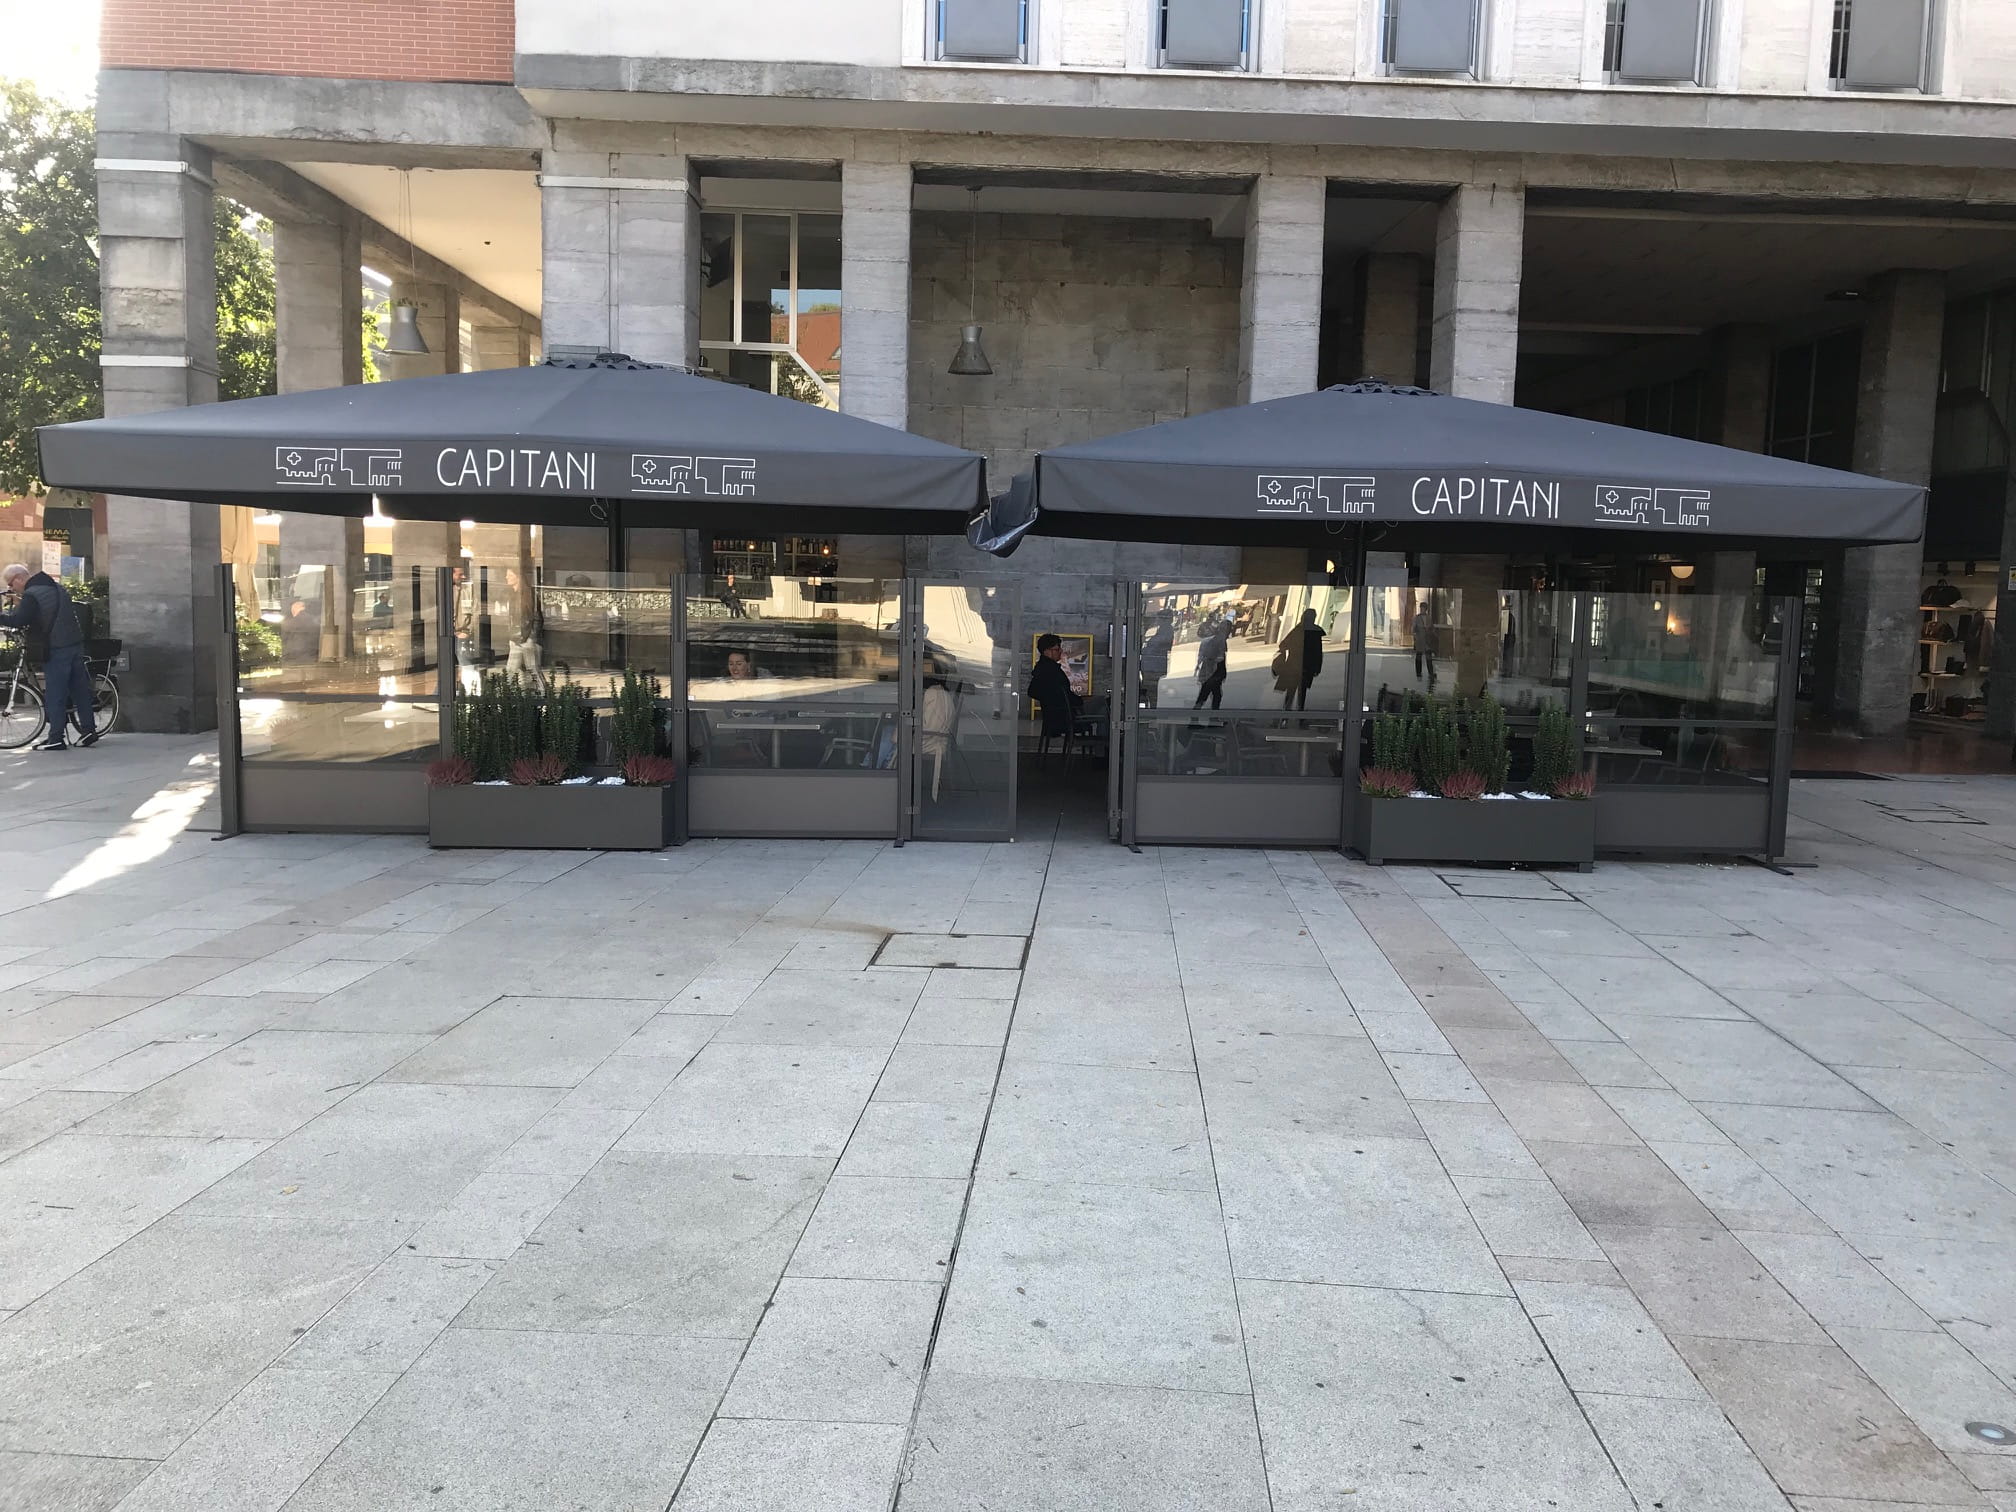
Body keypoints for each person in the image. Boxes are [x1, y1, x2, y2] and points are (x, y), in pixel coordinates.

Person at [0, 563, 99, 751]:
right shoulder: (55, 587)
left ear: (19, 578)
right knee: (80, 691)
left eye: (11, 584)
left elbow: (19, 621)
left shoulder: (32, 595)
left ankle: (56, 738)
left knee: (55, 694)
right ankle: (88, 731)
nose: (11, 588)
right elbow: (46, 613)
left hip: (56, 648)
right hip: (75, 644)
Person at [1028, 632, 1081, 746]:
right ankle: (1106, 750)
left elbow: (1033, 691)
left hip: (1056, 716)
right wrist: (1082, 700)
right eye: (1057, 649)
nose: (1060, 651)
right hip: (1064, 717)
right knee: (1102, 708)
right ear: (1047, 651)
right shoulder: (1052, 671)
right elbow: (1064, 696)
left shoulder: (1042, 669)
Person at [501, 567, 546, 692]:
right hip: (516, 639)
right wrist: (511, 637)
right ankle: (504, 695)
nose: (507, 577)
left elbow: (537, 618)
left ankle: (544, 693)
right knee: (511, 670)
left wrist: (531, 637)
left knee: (533, 669)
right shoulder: (513, 595)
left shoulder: (528, 595)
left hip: (526, 639)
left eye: (510, 575)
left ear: (518, 577)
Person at [1274, 607, 1323, 712]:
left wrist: (1293, 650)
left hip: (1294, 664)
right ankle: (1300, 713)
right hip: (1308, 667)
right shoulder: (1316, 632)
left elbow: (1283, 645)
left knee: (1291, 690)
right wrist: (1317, 668)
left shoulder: (1297, 629)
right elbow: (1318, 653)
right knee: (1302, 691)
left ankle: (1286, 713)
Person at [1193, 609, 1230, 710]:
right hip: (1213, 672)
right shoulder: (1220, 640)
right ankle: (1200, 714)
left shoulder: (1215, 638)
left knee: (1211, 694)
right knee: (1209, 694)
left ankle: (1204, 713)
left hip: (1211, 671)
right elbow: (1220, 658)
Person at [1138, 611, 1173, 708]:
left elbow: (1155, 645)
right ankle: (1150, 706)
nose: (1156, 620)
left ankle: (1152, 708)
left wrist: (1144, 648)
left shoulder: (1166, 630)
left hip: (1154, 665)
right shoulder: (1161, 630)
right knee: (1148, 688)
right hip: (1151, 664)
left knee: (1151, 689)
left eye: (1158, 618)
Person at [1412, 601, 1437, 689]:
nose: (1422, 609)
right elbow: (1413, 629)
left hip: (1427, 640)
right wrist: (1415, 638)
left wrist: (1431, 633)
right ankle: (1418, 674)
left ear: (1426, 609)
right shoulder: (1417, 618)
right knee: (1418, 657)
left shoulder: (1429, 618)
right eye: (1421, 608)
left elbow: (1432, 628)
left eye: (1423, 608)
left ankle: (1431, 674)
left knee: (1429, 658)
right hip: (1420, 640)